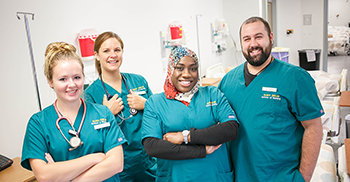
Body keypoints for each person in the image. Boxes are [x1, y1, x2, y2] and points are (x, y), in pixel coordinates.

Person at [218, 16, 324, 182]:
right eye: (247, 39)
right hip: (239, 175)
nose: (253, 44)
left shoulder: (295, 78)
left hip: (280, 176)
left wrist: (304, 177)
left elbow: (314, 127)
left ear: (271, 38)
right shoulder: (228, 82)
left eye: (259, 37)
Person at [21, 42, 126, 182]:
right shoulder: (38, 123)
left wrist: (62, 176)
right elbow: (44, 175)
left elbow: (116, 164)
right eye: (63, 79)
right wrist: (95, 157)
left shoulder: (103, 113)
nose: (72, 84)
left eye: (77, 77)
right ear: (50, 81)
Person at [141, 46, 239, 181]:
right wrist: (202, 150)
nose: (186, 74)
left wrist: (185, 137)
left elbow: (230, 129)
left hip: (214, 175)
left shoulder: (212, 94)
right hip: (176, 177)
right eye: (179, 68)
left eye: (193, 68)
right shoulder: (155, 103)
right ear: (170, 70)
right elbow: (153, 146)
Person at [83, 31, 156, 182]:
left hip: (147, 162)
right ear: (96, 55)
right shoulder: (90, 94)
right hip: (118, 169)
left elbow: (160, 115)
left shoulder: (138, 81)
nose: (113, 55)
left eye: (117, 50)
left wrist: (146, 104)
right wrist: (106, 113)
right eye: (106, 51)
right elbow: (89, 138)